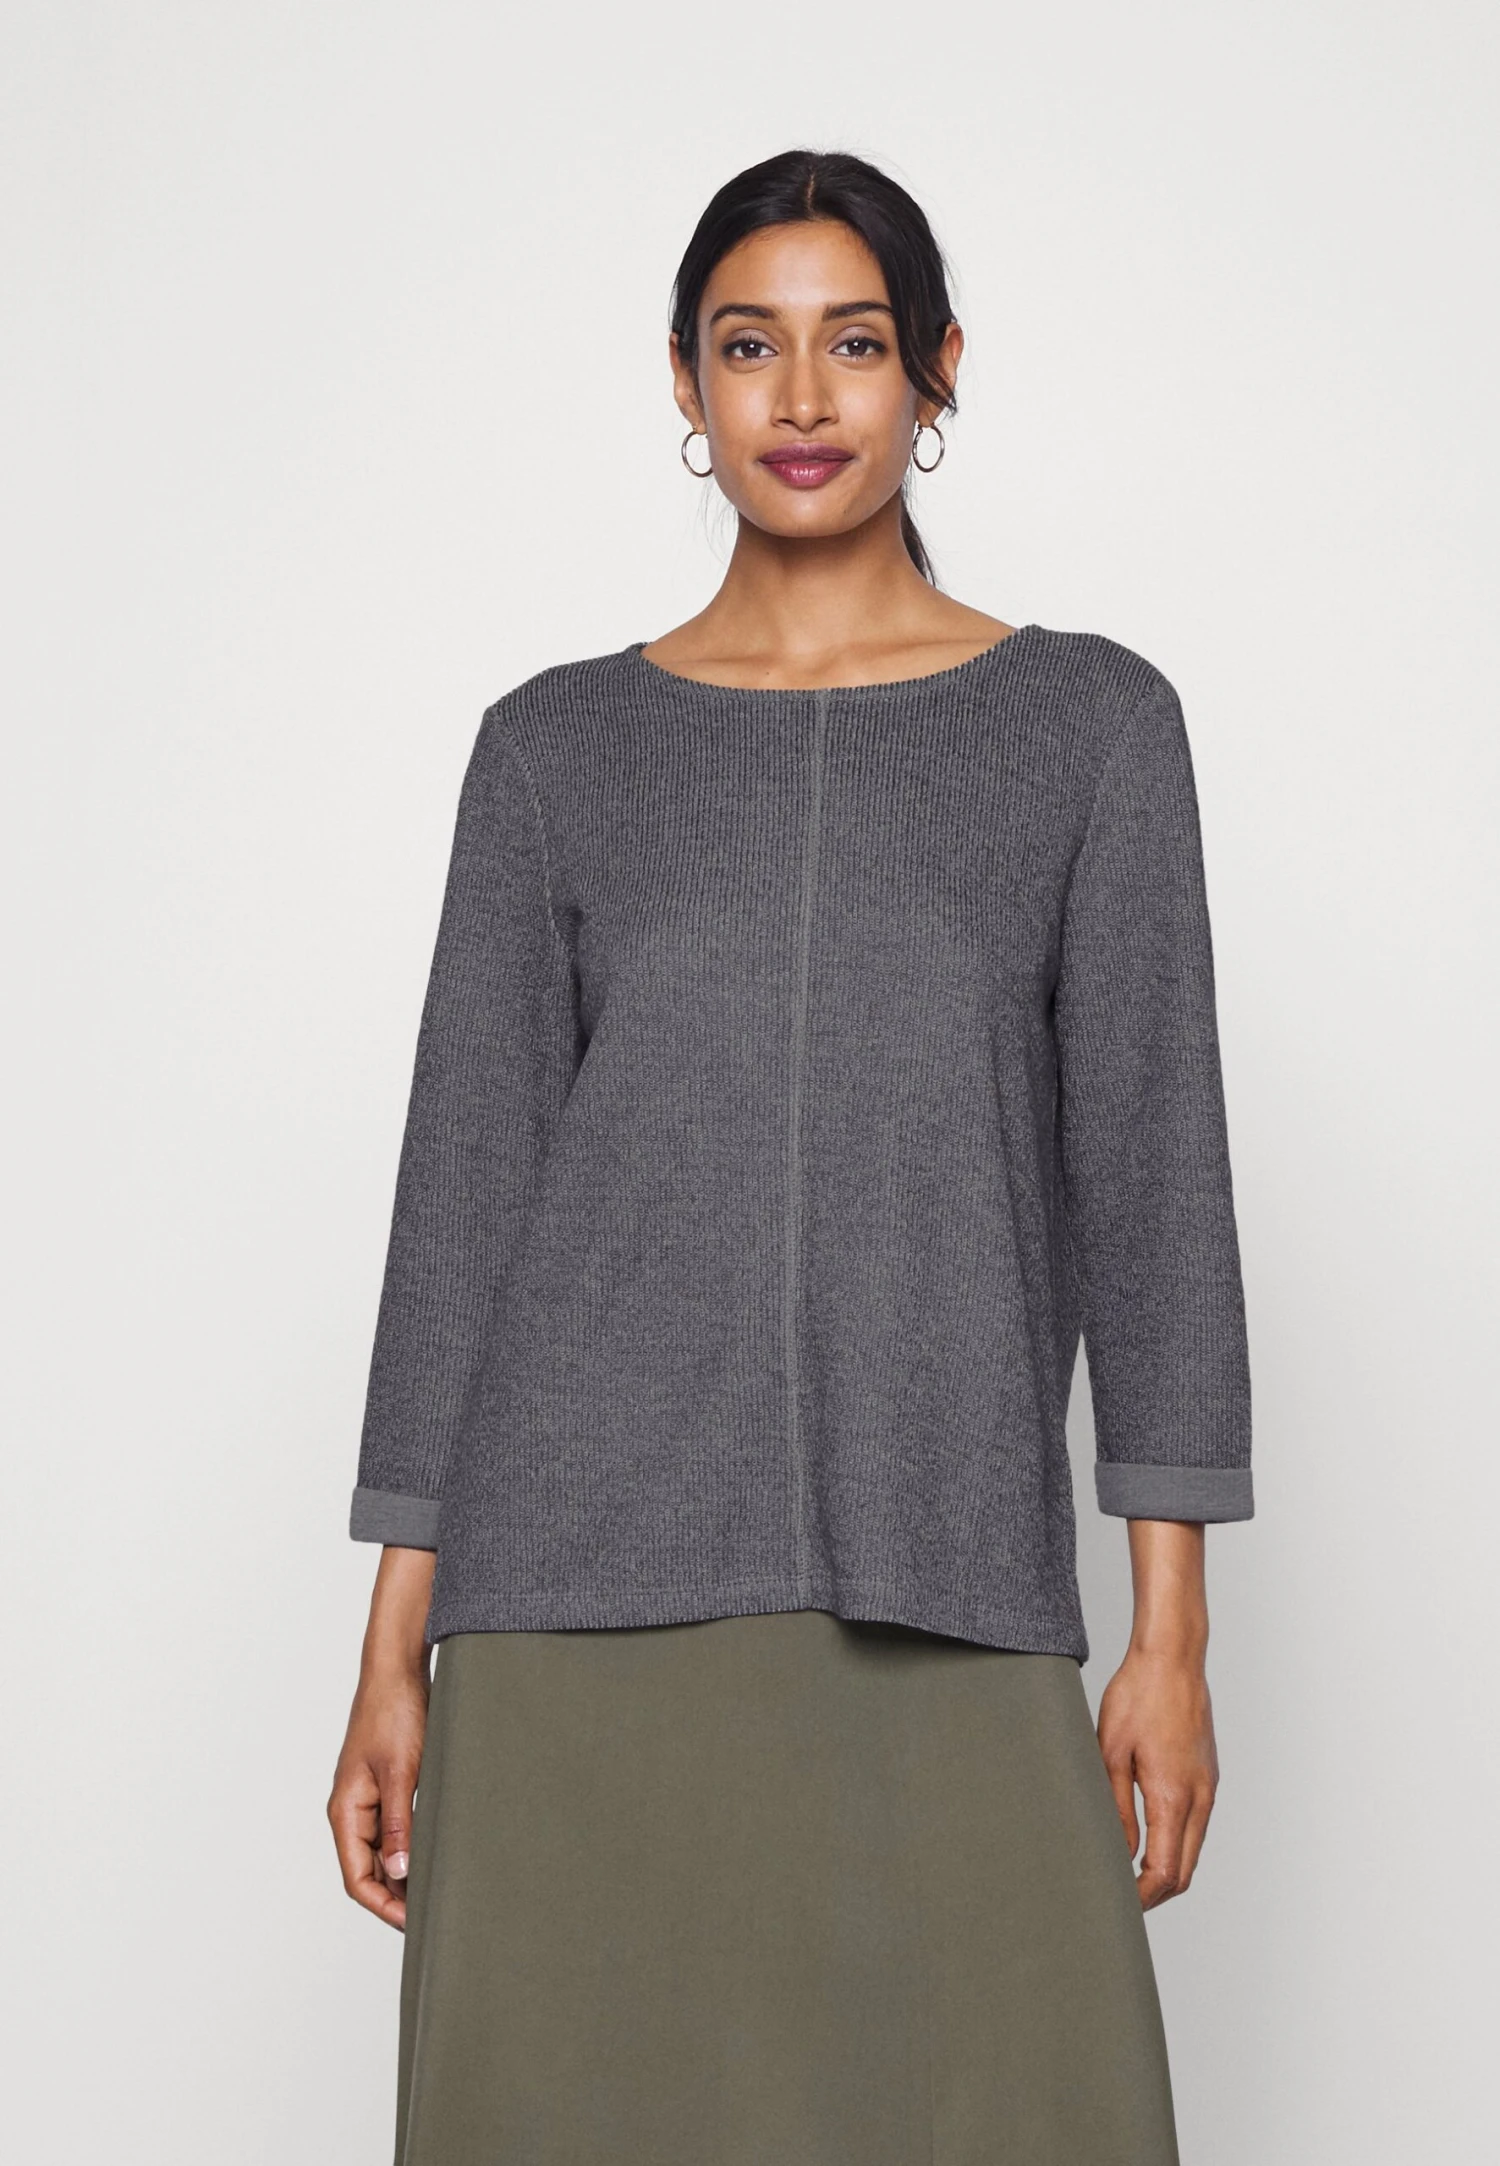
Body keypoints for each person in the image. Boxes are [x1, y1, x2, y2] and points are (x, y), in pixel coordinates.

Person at [327, 146, 1253, 2166]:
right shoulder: (555, 751)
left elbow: (1156, 1185)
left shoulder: (1092, 729)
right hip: (566, 1615)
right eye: (751, 348)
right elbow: (467, 1203)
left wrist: (1170, 1637)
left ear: (938, 370)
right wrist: (393, 1649)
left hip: (949, 1571)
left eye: (856, 344)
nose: (806, 398)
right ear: (686, 381)